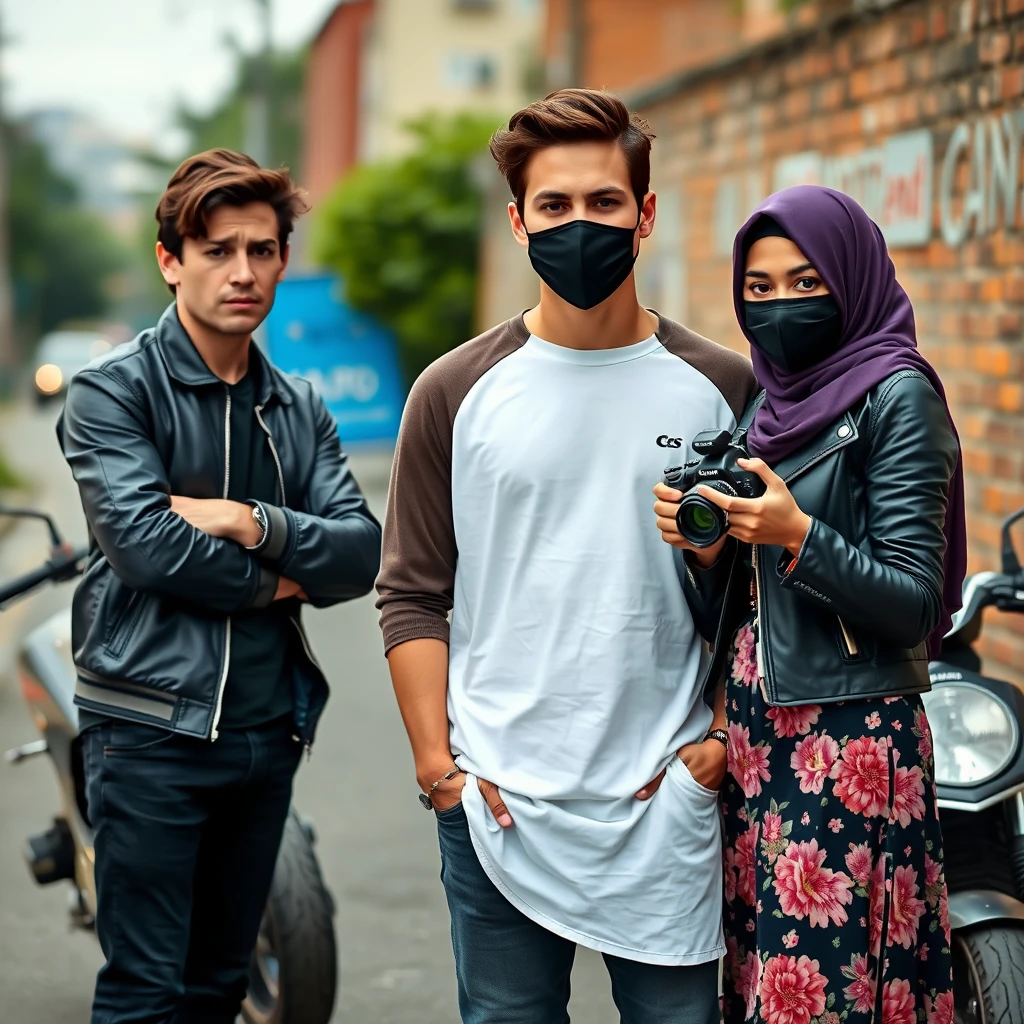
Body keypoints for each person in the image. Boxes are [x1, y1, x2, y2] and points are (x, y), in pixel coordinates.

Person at [375, 88, 758, 1024]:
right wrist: (441, 771)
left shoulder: (726, 387)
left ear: (646, 213)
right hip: (501, 798)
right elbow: (413, 593)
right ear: (517, 221)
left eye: (602, 203)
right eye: (553, 207)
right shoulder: (454, 391)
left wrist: (714, 743)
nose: (577, 224)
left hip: (667, 794)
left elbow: (759, 595)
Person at [58, 148, 381, 1024]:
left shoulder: (298, 405)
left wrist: (248, 521)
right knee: (145, 994)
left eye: (264, 250)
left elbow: (358, 552)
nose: (244, 272)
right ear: (171, 261)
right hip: (149, 729)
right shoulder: (111, 392)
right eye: (218, 251)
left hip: (264, 735)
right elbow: (148, 547)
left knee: (216, 988)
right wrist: (286, 581)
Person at [653, 185, 963, 1022]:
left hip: (852, 738)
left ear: (850, 278)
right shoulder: (770, 401)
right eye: (759, 288)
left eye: (804, 282)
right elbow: (751, 602)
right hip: (760, 734)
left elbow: (912, 601)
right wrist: (711, 548)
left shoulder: (898, 396)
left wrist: (799, 535)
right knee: (769, 984)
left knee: (829, 989)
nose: (780, 306)